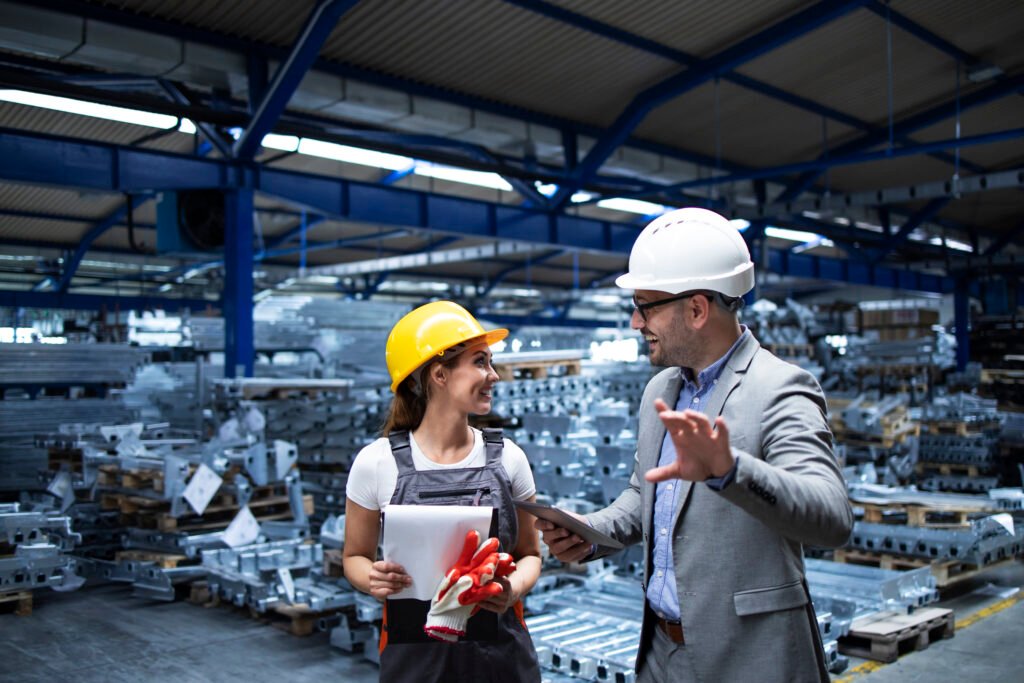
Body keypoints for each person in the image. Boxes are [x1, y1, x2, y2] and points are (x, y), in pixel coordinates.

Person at [536, 208, 853, 683]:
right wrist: (589, 531)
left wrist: (731, 471)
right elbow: (643, 495)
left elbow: (832, 517)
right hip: (660, 655)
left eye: (645, 306)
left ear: (697, 309)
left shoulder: (780, 388)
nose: (635, 322)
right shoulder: (660, 392)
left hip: (750, 658)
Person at [343, 300, 542, 682]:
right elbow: (354, 556)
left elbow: (530, 555)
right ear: (439, 374)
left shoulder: (509, 458)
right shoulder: (376, 463)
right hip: (415, 664)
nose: (494, 376)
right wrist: (372, 578)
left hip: (501, 659)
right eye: (480, 362)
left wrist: (513, 588)